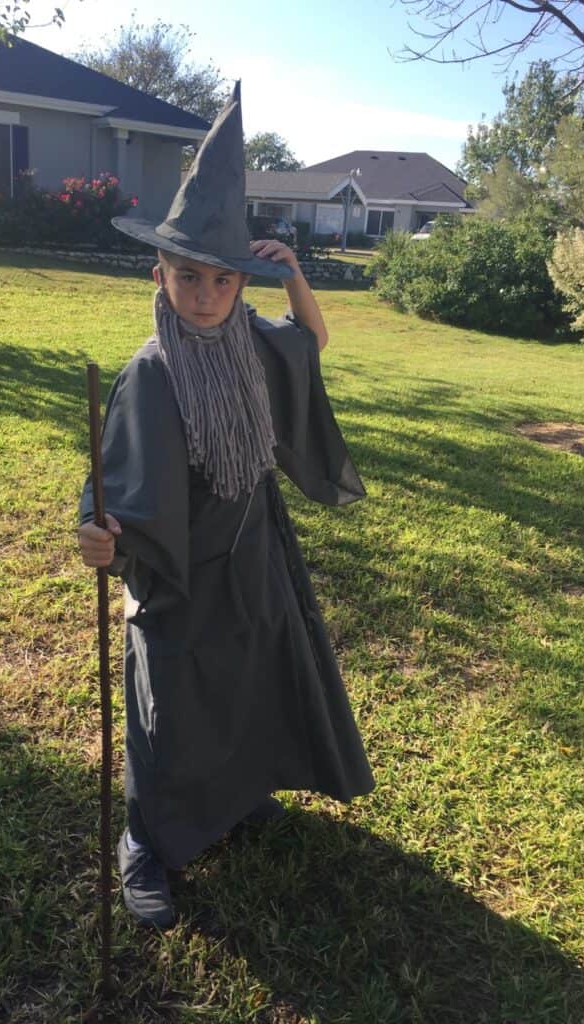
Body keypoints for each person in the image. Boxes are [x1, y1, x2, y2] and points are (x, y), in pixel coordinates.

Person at [77, 82, 374, 929]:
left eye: (221, 280)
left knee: (248, 677)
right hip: (177, 560)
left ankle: (236, 798)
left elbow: (310, 346)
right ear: (159, 272)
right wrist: (98, 538)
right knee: (171, 695)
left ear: (239, 285)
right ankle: (146, 840)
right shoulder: (151, 369)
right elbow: (111, 485)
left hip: (254, 549)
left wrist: (295, 278)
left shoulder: (251, 341)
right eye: (188, 276)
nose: (205, 295)